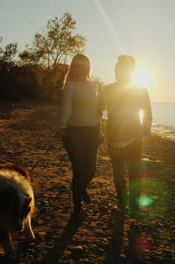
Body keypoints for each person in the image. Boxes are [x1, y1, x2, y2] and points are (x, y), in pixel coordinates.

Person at [99, 55, 152, 218]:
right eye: (116, 68)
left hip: (134, 139)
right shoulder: (107, 89)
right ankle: (122, 204)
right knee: (118, 174)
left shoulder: (141, 89)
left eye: (121, 68)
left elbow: (148, 113)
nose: (117, 71)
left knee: (135, 174)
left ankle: (135, 208)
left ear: (130, 71)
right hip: (113, 139)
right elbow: (97, 110)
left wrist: (145, 129)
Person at [60, 54, 101, 217]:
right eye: (75, 66)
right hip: (74, 131)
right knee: (78, 170)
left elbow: (97, 111)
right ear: (72, 67)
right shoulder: (70, 84)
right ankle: (77, 206)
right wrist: (62, 125)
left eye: (82, 66)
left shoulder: (94, 86)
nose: (78, 69)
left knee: (90, 169)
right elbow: (66, 106)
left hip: (92, 131)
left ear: (87, 67)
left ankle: (80, 188)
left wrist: (101, 129)